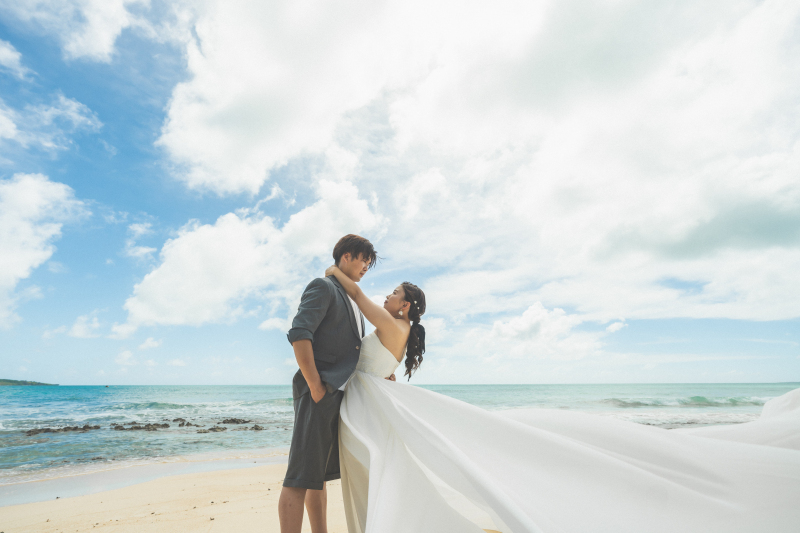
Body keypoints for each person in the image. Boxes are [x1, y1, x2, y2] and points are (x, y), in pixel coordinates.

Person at [324, 265, 800, 533]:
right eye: (390, 291)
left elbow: (359, 295)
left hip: (367, 402)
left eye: (395, 292)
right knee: (380, 465)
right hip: (374, 398)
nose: (387, 295)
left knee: (379, 466)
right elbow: (383, 366)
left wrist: (333, 271)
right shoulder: (402, 328)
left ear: (405, 306)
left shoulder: (390, 321)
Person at [279, 234, 387, 533]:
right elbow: (300, 332)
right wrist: (315, 385)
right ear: (346, 257)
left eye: (369, 262)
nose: (367, 265)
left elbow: (354, 352)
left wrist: (382, 372)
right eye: (363, 258)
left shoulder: (352, 300)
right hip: (319, 392)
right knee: (300, 477)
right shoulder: (323, 286)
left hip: (338, 395)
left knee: (317, 476)